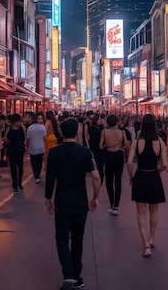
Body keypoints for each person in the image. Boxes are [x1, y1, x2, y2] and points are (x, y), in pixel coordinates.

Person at [45, 118, 100, 290]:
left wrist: (48, 198)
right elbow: (96, 177)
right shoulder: (85, 152)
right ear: (77, 132)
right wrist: (96, 197)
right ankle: (77, 276)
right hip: (80, 202)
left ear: (61, 132)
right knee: (78, 239)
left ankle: (68, 273)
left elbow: (50, 178)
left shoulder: (54, 153)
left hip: (62, 201)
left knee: (61, 238)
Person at [127, 114, 168, 258]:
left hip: (140, 175)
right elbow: (165, 164)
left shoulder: (137, 142)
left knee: (140, 212)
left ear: (142, 125)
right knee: (154, 210)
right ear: (155, 126)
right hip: (153, 176)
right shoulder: (160, 142)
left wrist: (132, 177)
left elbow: (130, 163)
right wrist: (157, 172)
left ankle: (145, 243)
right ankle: (151, 238)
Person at [99, 114, 129, 216]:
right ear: (117, 122)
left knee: (109, 179)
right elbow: (126, 146)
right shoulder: (122, 132)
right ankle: (116, 206)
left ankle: (111, 204)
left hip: (109, 155)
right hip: (119, 155)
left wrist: (107, 145)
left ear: (107, 122)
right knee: (118, 181)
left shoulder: (104, 132)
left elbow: (100, 146)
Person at [5, 113, 26, 193]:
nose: (19, 123)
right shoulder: (9, 129)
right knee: (13, 168)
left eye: (20, 121)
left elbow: (24, 137)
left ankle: (19, 182)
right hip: (11, 150)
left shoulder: (22, 128)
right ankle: (14, 184)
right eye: (18, 121)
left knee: (20, 167)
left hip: (20, 149)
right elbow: (5, 138)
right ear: (13, 121)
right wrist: (6, 140)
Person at [26, 112, 47, 183]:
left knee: (34, 162)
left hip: (33, 147)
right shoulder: (42, 127)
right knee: (39, 161)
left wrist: (27, 146)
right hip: (41, 147)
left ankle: (36, 176)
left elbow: (28, 139)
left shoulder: (30, 128)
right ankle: (38, 173)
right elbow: (44, 138)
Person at [84, 115, 104, 182]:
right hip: (92, 144)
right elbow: (86, 136)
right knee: (94, 158)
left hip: (99, 143)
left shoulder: (101, 127)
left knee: (100, 158)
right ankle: (96, 171)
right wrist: (88, 145)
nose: (100, 121)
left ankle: (100, 170)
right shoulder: (88, 126)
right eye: (98, 120)